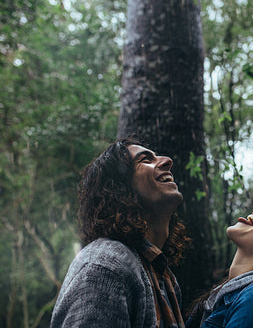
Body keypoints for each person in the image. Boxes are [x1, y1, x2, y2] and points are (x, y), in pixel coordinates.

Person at [51, 137, 189, 328]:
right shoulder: (105, 265)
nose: (167, 161)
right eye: (145, 159)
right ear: (119, 188)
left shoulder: (165, 278)